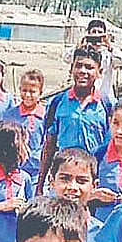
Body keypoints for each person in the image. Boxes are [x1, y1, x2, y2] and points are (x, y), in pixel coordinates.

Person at [38, 47, 113, 193]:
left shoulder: (107, 105)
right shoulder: (57, 102)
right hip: (64, 175)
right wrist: (40, 185)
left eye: (89, 67)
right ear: (71, 69)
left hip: (91, 178)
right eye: (78, 66)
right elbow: (49, 145)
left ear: (99, 72)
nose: (83, 71)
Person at [0, 68, 49, 185]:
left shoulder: (46, 115)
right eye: (24, 90)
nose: (27, 95)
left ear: (40, 92)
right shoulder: (10, 115)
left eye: (32, 91)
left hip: (38, 171)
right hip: (15, 170)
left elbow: (48, 142)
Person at [67, 18, 122, 102]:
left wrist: (109, 45)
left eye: (100, 32)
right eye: (94, 32)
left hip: (105, 96)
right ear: (88, 33)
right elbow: (67, 58)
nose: (96, 35)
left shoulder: (109, 53)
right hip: (85, 96)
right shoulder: (83, 53)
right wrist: (79, 45)